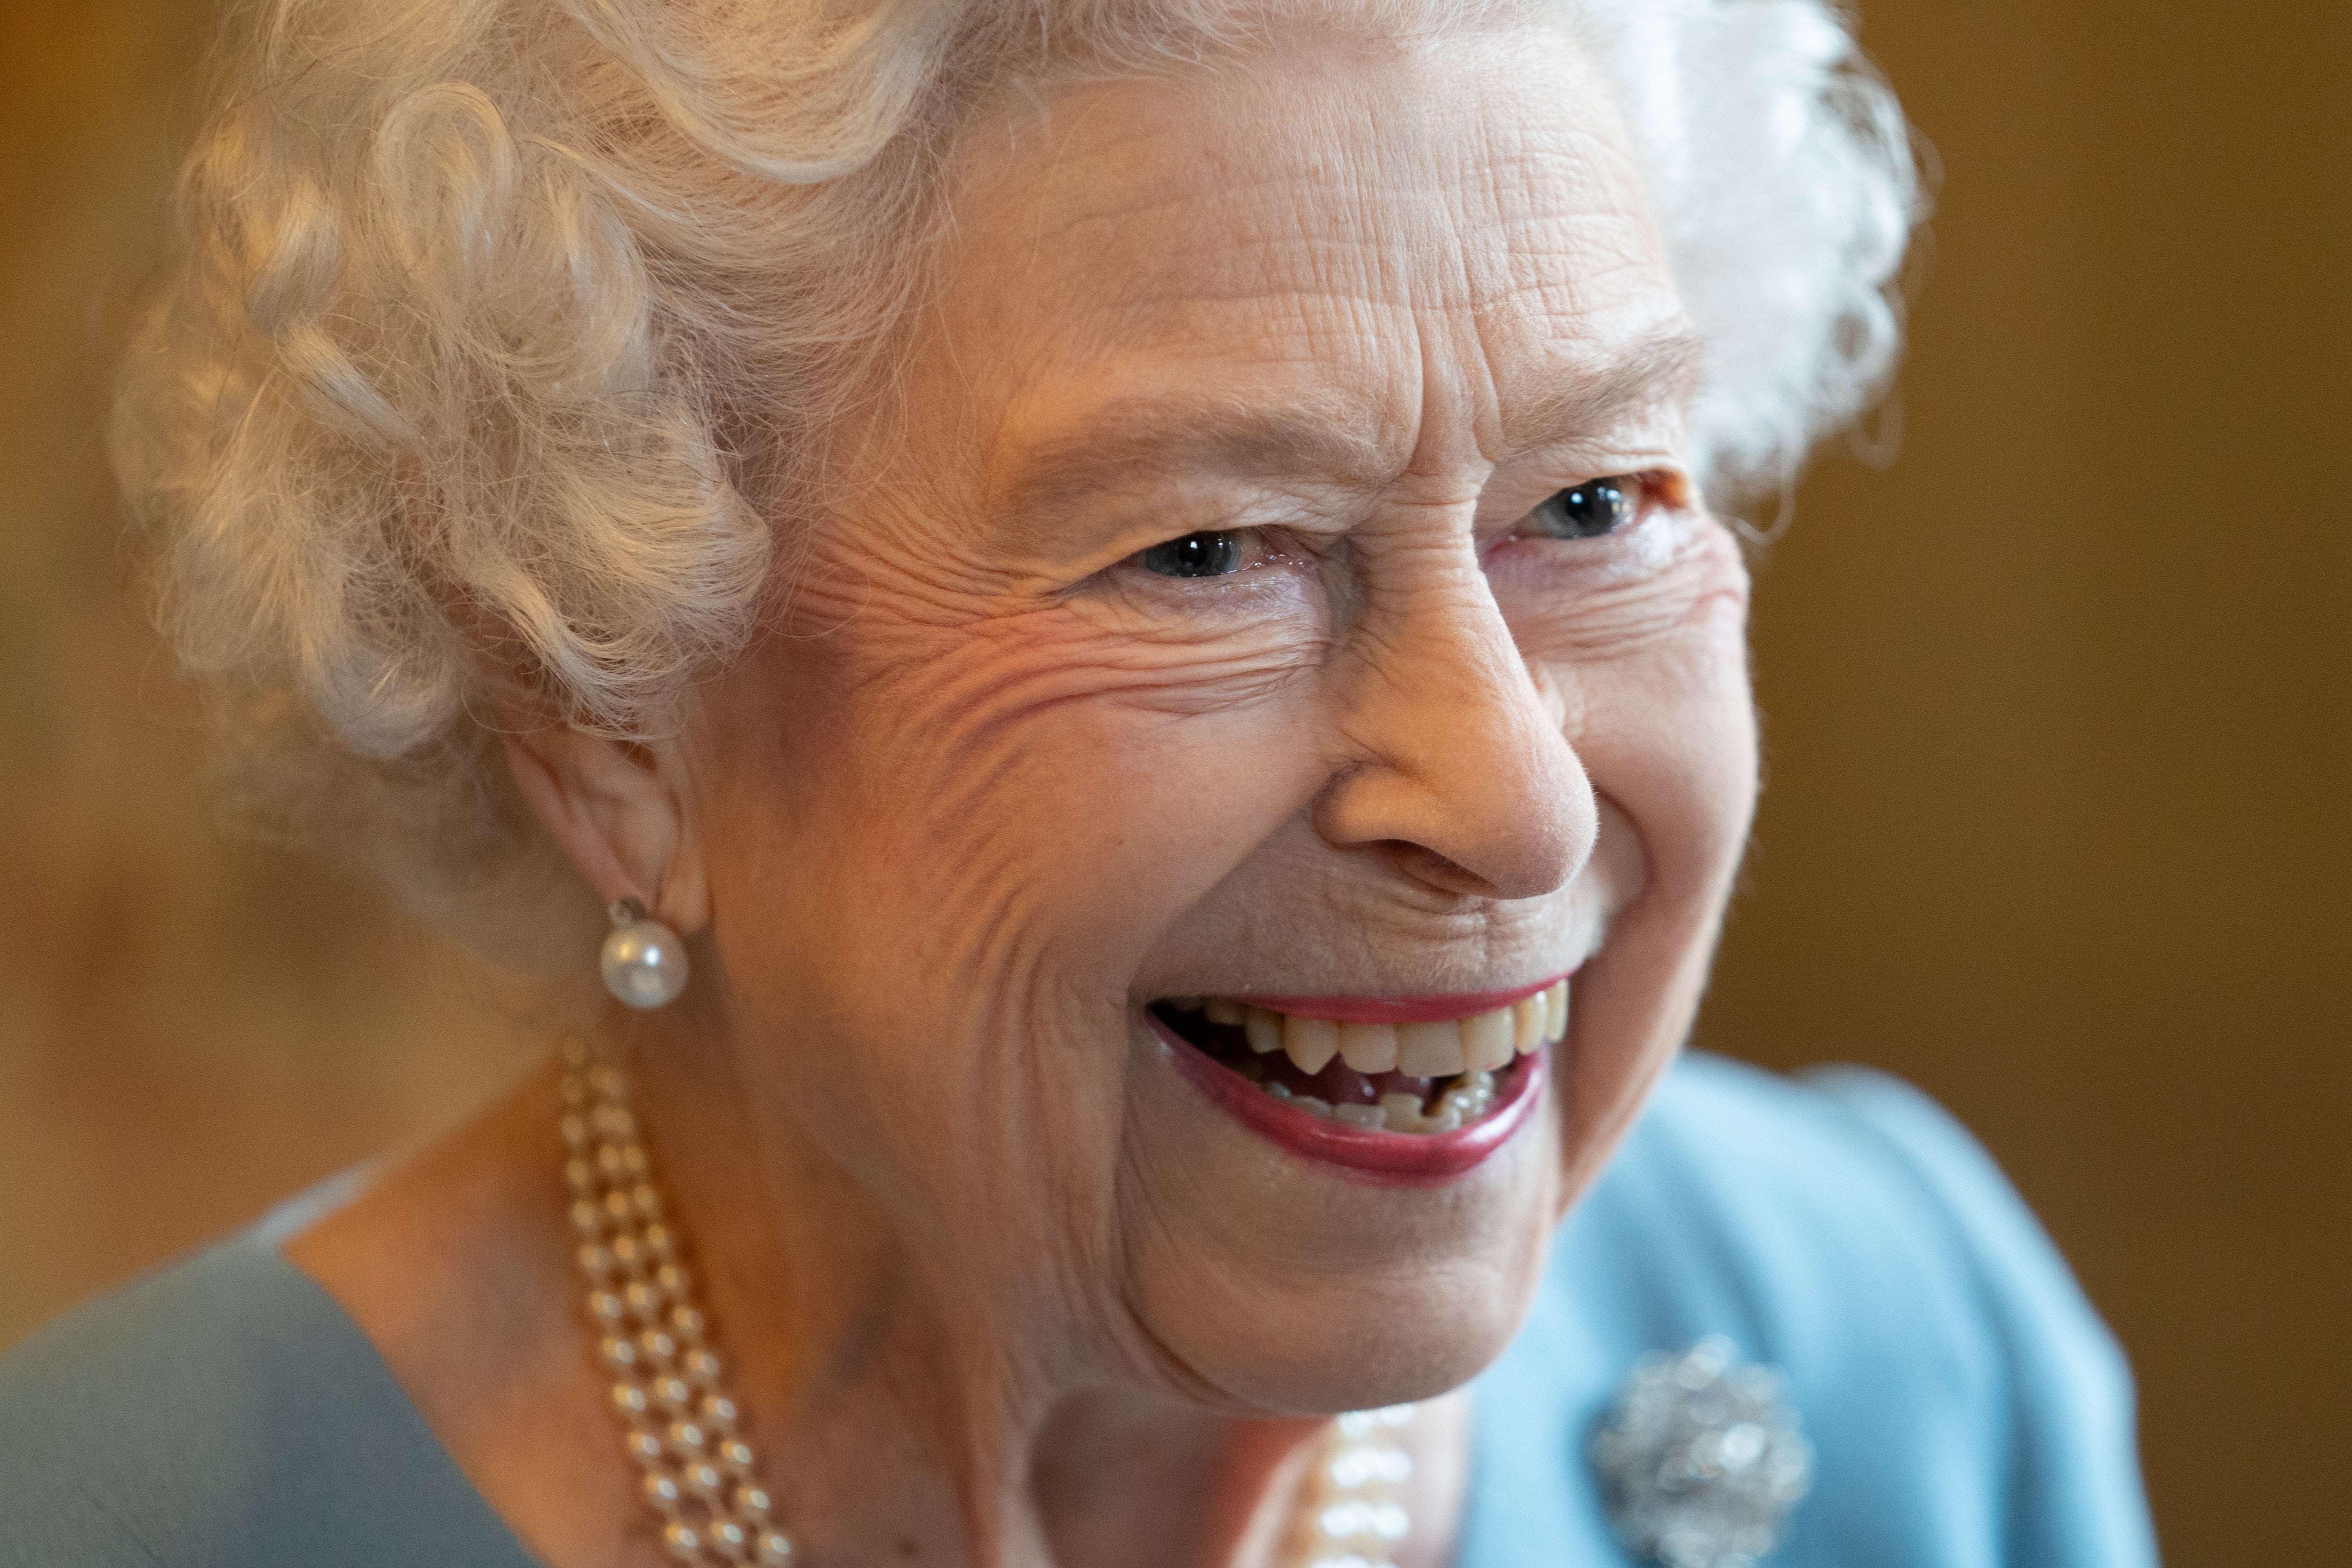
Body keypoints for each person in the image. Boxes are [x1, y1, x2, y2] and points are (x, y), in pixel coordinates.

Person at [0, 1, 2157, 1564]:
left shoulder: (1892, 1342)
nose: (1514, 802)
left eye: (1592, 503)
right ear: (605, 711)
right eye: (1207, 551)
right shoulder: (126, 1519)